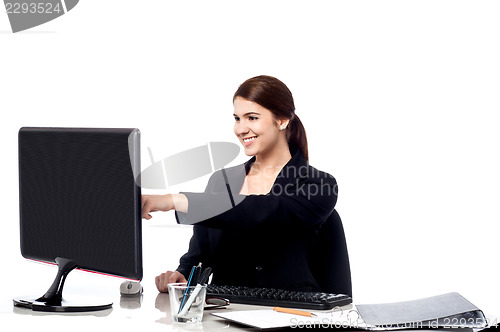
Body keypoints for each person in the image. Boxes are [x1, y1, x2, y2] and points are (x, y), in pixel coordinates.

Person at [142, 75, 340, 293]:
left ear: (282, 120)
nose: (241, 129)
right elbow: (199, 257)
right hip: (224, 315)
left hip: (288, 314)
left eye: (252, 118)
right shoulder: (222, 181)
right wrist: (182, 275)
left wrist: (175, 200)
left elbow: (263, 212)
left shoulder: (319, 185)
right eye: (237, 118)